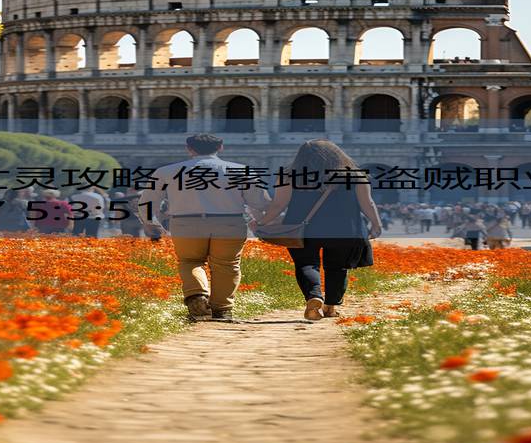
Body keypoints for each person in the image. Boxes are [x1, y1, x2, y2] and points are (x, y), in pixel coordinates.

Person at [138, 134, 271, 320]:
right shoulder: (240, 170)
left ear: (189, 148)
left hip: (186, 223)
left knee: (190, 261)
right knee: (227, 265)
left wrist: (151, 224)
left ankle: (197, 294)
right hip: (229, 222)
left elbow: (147, 202)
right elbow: (261, 203)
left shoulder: (166, 171)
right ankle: (222, 309)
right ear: (221, 147)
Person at [254, 140, 382, 321]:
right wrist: (376, 224)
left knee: (306, 263)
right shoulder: (355, 175)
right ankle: (331, 306)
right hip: (345, 228)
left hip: (303, 228)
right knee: (338, 267)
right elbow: (367, 203)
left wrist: (262, 222)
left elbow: (278, 205)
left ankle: (314, 297)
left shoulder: (289, 175)